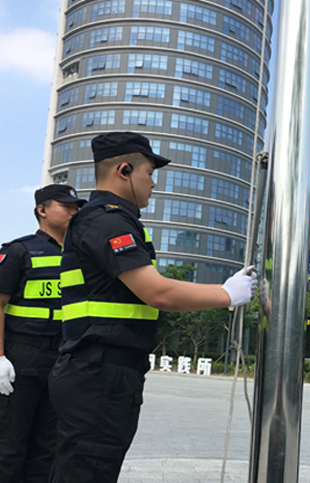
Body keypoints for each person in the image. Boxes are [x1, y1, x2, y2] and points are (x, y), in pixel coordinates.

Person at [48, 131, 258, 482]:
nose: (154, 183)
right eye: (149, 172)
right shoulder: (107, 221)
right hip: (99, 372)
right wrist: (227, 293)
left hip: (98, 370)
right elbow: (157, 292)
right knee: (88, 471)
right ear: (124, 170)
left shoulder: (109, 220)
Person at [0, 184, 86, 482]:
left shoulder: (79, 257)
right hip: (21, 356)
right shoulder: (19, 251)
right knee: (9, 443)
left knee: (49, 446)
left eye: (77, 207)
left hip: (62, 358)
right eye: (67, 206)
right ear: (42, 210)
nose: (74, 212)